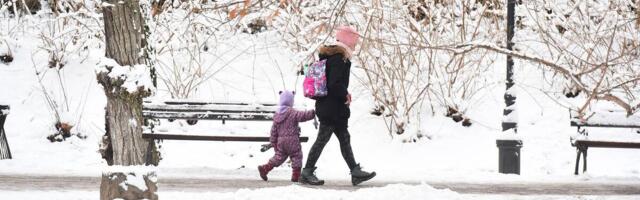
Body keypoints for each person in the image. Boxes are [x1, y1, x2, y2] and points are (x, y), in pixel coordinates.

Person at [300, 26, 376, 186]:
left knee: (344, 138)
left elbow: (334, 83)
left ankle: (355, 172)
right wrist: (345, 94)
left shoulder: (333, 56)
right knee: (322, 140)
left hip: (333, 107)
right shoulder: (338, 58)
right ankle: (306, 172)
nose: (356, 46)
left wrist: (343, 94)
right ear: (348, 41)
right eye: (354, 42)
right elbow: (334, 83)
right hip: (331, 108)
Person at [258, 90, 315, 182]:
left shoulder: (277, 115)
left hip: (281, 142)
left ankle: (265, 168)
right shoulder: (292, 112)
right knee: (297, 156)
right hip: (292, 141)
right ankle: (295, 176)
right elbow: (303, 116)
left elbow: (273, 131)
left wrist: (273, 142)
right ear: (291, 101)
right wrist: (312, 113)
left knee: (279, 157)